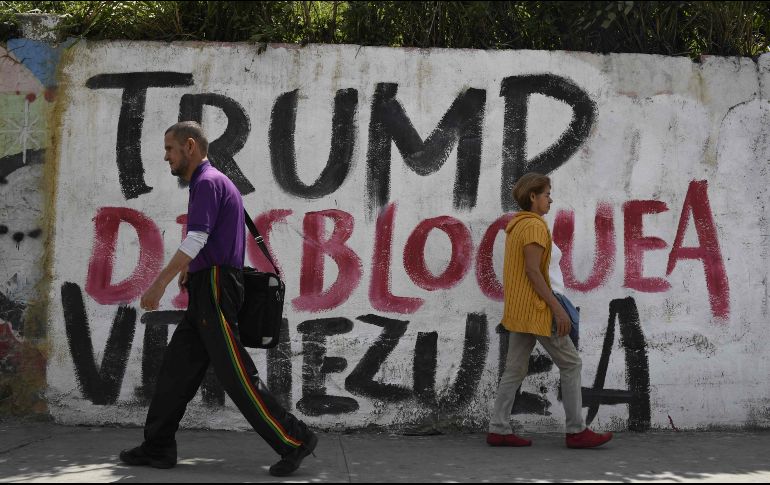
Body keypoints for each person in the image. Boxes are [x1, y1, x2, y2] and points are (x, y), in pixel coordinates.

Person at [119, 121, 317, 477]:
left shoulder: (208, 182)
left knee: (237, 375)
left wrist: (159, 283)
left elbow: (197, 237)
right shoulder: (212, 181)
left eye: (169, 149)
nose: (166, 157)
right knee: (176, 372)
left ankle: (295, 439)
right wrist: (190, 268)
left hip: (215, 288)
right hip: (206, 285)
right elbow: (212, 238)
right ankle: (157, 446)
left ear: (189, 146)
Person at [486, 172, 612, 449]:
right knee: (571, 363)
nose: (550, 200)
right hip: (538, 308)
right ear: (533, 196)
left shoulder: (517, 225)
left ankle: (498, 428)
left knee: (514, 369)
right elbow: (533, 271)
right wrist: (557, 309)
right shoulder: (534, 226)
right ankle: (576, 431)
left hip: (521, 309)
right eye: (546, 194)